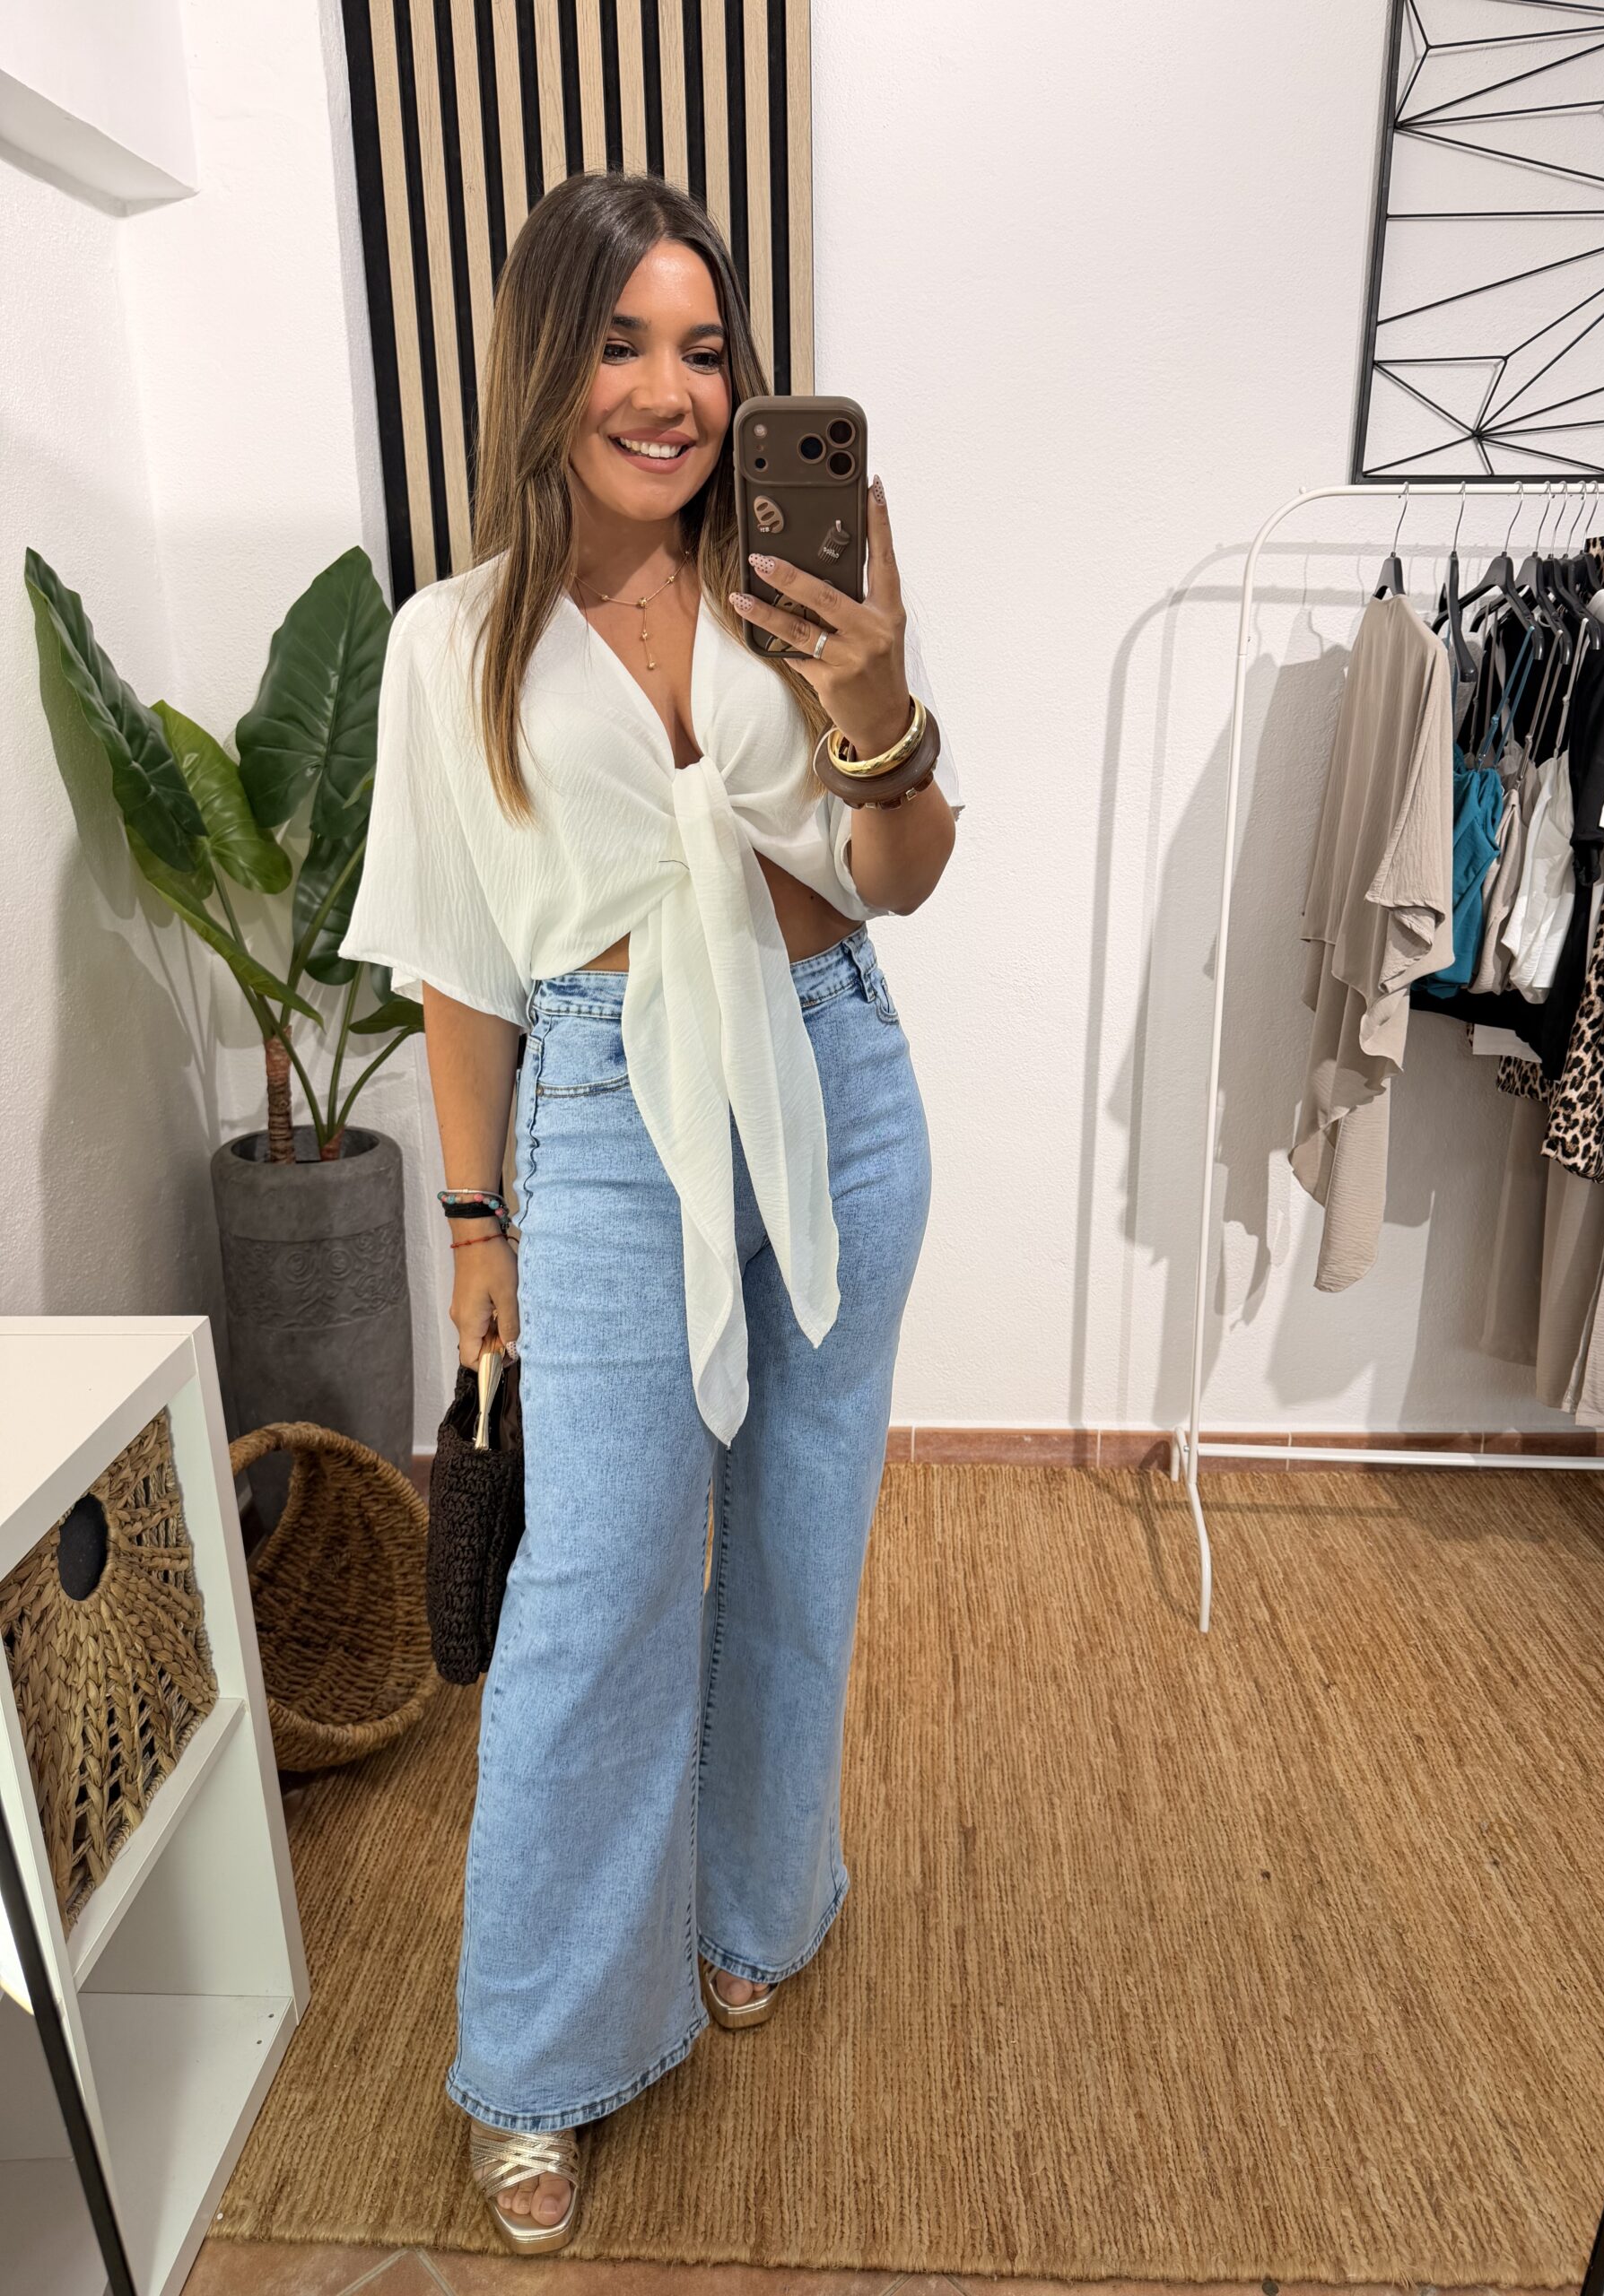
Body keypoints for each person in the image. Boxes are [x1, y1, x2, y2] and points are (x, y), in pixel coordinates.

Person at [337, 168, 962, 2252]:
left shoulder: (805, 573)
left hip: (837, 1075)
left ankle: (756, 1904)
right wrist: (474, 1221)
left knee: (801, 1529)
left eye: (704, 349)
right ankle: (538, 2053)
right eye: (623, 343)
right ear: (549, 359)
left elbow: (900, 871)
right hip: (611, 1109)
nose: (672, 392)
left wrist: (878, 696)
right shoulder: (452, 640)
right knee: (593, 1584)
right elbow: (457, 958)